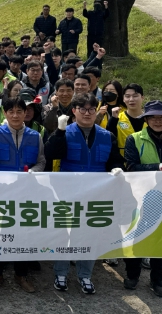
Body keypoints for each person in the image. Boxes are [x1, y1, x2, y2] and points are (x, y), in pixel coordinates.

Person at [44, 93, 124, 294]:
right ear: (74, 111)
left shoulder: (107, 135)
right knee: (64, 233)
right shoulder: (65, 131)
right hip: (68, 191)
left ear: (96, 111)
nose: (87, 113)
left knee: (90, 234)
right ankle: (61, 273)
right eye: (82, 109)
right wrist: (59, 131)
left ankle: (85, 275)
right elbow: (51, 153)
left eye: (91, 109)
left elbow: (115, 159)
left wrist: (116, 168)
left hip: (96, 193)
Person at [0, 97, 46, 293]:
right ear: (5, 113)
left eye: (19, 111)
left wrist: (34, 171)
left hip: (26, 192)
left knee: (24, 233)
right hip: (1, 192)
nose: (15, 115)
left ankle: (21, 274)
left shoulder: (35, 136)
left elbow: (41, 161)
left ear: (25, 113)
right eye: (11, 112)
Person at [123, 100, 162, 296]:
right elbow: (131, 166)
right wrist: (158, 167)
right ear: (146, 119)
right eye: (152, 117)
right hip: (141, 196)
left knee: (160, 239)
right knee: (137, 236)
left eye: (161, 117)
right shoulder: (134, 139)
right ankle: (132, 274)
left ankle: (158, 279)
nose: (157, 121)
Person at [107, 83, 146, 156]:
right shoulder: (117, 118)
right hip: (124, 161)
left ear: (142, 97)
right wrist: (113, 120)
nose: (131, 99)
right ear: (123, 99)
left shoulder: (150, 119)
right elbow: (109, 139)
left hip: (147, 161)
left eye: (135, 96)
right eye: (127, 96)